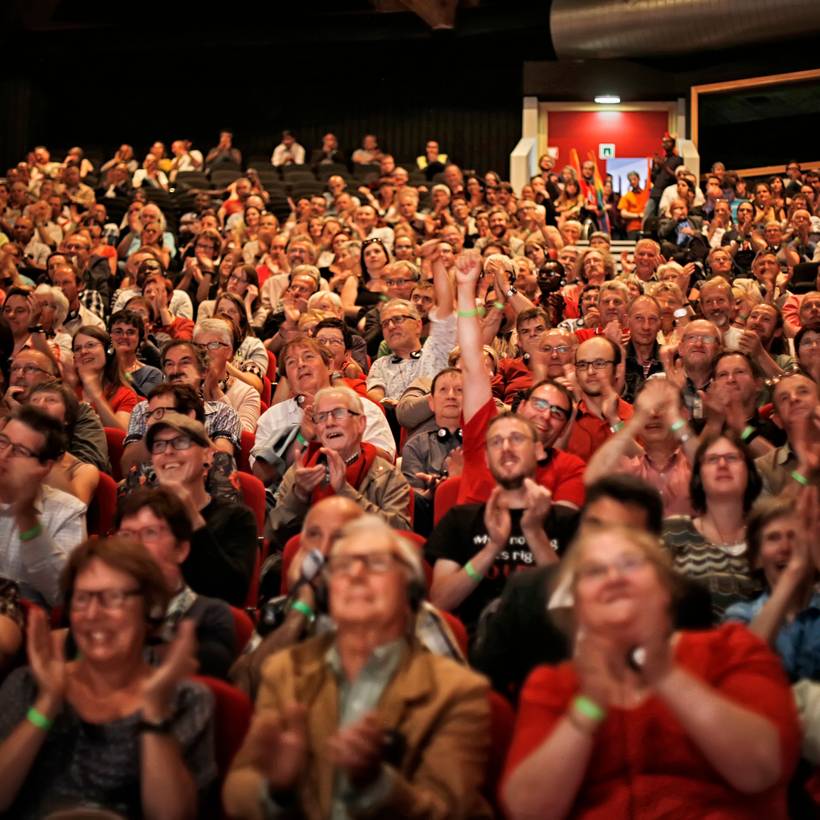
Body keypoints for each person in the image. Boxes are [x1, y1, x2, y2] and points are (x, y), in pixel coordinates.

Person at [501, 525, 800, 819]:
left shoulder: (730, 649)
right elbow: (527, 810)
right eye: (593, 571)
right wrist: (588, 706)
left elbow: (761, 770)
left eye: (630, 564)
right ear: (577, 606)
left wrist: (665, 673)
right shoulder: (554, 684)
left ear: (666, 589)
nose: (613, 578)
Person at [222, 515, 492, 820]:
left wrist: (380, 786)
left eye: (375, 564)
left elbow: (451, 810)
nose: (356, 575)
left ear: (410, 592)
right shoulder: (285, 671)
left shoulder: (458, 692)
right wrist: (274, 790)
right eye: (342, 566)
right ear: (327, 592)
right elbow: (237, 790)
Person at [0, 537, 216, 818]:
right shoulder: (28, 684)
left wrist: (153, 713)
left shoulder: (185, 699)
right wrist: (47, 703)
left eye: (113, 598)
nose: (92, 614)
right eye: (82, 599)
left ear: (149, 607)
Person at [428, 411, 567, 640]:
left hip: (548, 650)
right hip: (476, 649)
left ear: (539, 450)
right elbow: (440, 601)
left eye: (516, 438)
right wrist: (491, 549)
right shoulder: (460, 519)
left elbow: (570, 602)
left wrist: (535, 534)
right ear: (486, 458)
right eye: (496, 442)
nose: (506, 447)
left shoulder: (565, 520)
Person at [115, 488, 237, 679]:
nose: (135, 546)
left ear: (181, 549)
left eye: (150, 533)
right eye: (126, 535)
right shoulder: (99, 609)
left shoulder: (209, 616)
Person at [267, 386, 411, 547]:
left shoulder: (387, 476)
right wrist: (298, 495)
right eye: (321, 417)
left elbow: (402, 539)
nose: (329, 423)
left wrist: (345, 491)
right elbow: (274, 538)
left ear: (361, 423)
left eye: (339, 413)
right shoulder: (300, 473)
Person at [146, 412, 257, 607]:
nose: (168, 451)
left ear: (207, 455)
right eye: (159, 445)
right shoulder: (141, 516)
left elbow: (232, 595)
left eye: (180, 442)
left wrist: (191, 514)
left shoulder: (237, 517)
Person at [663, 429, 764, 620]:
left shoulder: (768, 534)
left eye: (732, 458)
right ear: (698, 477)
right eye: (712, 459)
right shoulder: (672, 531)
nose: (723, 464)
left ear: (749, 471)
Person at [724, 494, 820, 681]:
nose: (785, 547)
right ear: (757, 558)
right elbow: (740, 670)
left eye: (794, 537)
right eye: (773, 538)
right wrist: (792, 575)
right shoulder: (741, 615)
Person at [0, 405, 87, 606]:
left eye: (20, 451)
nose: (4, 456)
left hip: (20, 624)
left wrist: (27, 519)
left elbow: (62, 596)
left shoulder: (67, 511)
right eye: (2, 442)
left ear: (44, 467)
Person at [120, 339, 241, 474]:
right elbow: (126, 468)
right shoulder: (144, 409)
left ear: (204, 372)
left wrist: (192, 427)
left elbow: (222, 467)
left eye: (185, 362)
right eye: (169, 364)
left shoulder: (223, 412)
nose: (175, 371)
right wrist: (157, 421)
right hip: (153, 487)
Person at [27, 381, 100, 505]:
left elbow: (73, 511)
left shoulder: (82, 470)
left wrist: (46, 449)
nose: (40, 405)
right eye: (35, 400)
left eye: (51, 400)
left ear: (67, 418)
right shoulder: (9, 454)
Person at [192, 318, 260, 433]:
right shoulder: (182, 385)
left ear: (229, 351)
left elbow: (245, 437)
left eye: (214, 344)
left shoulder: (247, 394)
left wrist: (215, 391)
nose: (204, 352)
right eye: (199, 346)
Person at [70, 325, 140, 432]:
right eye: (77, 348)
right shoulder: (67, 390)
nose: (83, 352)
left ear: (108, 352)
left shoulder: (125, 394)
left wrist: (97, 395)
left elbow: (121, 434)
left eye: (90, 345)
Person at [109, 309, 164, 398]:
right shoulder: (101, 369)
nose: (124, 336)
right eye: (118, 331)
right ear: (110, 335)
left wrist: (122, 369)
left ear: (139, 337)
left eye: (130, 332)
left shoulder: (152, 374)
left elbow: (143, 403)